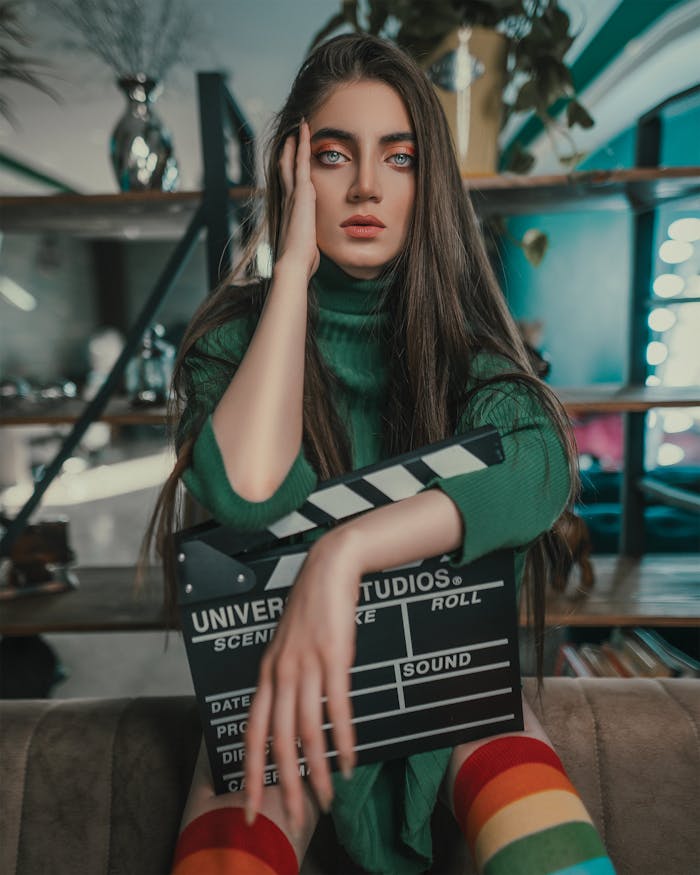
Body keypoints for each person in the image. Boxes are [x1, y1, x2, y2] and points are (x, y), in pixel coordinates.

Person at [151, 33, 616, 875]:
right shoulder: (230, 345)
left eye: (398, 158)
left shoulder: (462, 344)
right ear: (294, 171)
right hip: (281, 699)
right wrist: (288, 269)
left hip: (450, 685)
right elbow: (252, 491)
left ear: (426, 181)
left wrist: (347, 547)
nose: (366, 185)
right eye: (334, 156)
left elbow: (541, 469)